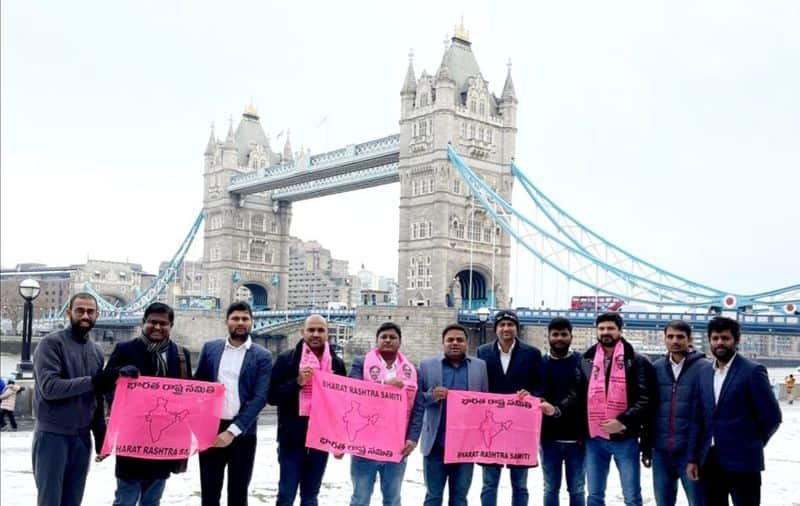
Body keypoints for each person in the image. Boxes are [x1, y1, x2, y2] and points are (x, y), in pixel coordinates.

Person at [32, 292, 136, 506]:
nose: (85, 316)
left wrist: (100, 434)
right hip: (53, 435)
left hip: (82, 437)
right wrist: (96, 380)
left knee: (73, 500)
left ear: (97, 315)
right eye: (80, 310)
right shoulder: (50, 344)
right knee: (50, 500)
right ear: (69, 313)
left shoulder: (97, 351)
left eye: (90, 311)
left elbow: (95, 395)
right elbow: (50, 388)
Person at [103, 302, 192, 505]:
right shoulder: (125, 349)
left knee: (153, 500)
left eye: (164, 323)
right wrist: (119, 374)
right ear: (144, 322)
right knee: (125, 499)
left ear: (171, 325)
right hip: (131, 439)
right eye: (153, 322)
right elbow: (104, 384)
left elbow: (187, 394)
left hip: (163, 440)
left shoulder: (181, 355)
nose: (158, 327)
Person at [686, 316, 782, 505]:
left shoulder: (753, 371)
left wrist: (752, 443)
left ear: (736, 341)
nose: (720, 343)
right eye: (715, 338)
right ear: (709, 341)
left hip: (744, 460)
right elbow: (698, 419)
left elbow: (772, 417)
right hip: (710, 460)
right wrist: (693, 458)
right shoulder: (704, 372)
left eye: (725, 338)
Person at [194, 301, 273, 506]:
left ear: (252, 322)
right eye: (235, 318)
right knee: (209, 492)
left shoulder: (263, 356)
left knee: (238, 494)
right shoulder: (210, 348)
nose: (240, 322)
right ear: (226, 321)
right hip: (211, 430)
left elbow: (260, 397)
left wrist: (232, 431)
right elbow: (198, 386)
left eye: (245, 319)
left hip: (243, 433)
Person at [268, 313, 347, 506]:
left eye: (321, 330)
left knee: (311, 496)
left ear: (328, 333)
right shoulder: (286, 360)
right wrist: (298, 382)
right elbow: (272, 397)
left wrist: (339, 441)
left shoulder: (336, 364)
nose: (316, 334)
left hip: (321, 440)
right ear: (302, 332)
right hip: (292, 439)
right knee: (286, 495)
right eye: (311, 330)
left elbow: (342, 407)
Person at [577, 312, 654, 506]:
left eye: (610, 328)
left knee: (632, 497)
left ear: (620, 330)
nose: (605, 332)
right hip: (594, 438)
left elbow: (646, 399)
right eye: (601, 329)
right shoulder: (586, 361)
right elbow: (578, 398)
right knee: (594, 496)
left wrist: (623, 421)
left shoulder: (637, 361)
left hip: (625, 438)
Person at [476, 310, 548, 506]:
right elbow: (478, 384)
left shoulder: (532, 353)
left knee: (520, 484)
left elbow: (541, 384)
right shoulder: (482, 352)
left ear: (516, 328)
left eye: (510, 325)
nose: (506, 328)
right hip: (492, 426)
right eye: (502, 325)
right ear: (495, 328)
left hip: (520, 427)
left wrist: (531, 393)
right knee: (489, 483)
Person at [348, 322, 424, 506]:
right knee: (360, 498)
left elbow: (418, 407)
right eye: (384, 337)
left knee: (392, 499)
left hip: (397, 444)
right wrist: (384, 386)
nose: (388, 340)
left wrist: (412, 438)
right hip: (365, 445)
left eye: (392, 337)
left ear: (400, 342)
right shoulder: (361, 363)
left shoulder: (413, 370)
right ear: (377, 341)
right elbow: (352, 392)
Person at [418, 323, 489, 506]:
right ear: (443, 343)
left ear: (467, 343)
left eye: (459, 340)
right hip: (436, 444)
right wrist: (431, 396)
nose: (454, 343)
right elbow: (417, 400)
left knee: (459, 498)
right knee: (433, 496)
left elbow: (486, 402)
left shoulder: (480, 367)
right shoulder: (426, 366)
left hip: (465, 446)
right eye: (450, 340)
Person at [647, 320, 708, 506]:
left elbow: (706, 414)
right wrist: (646, 448)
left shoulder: (704, 368)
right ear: (664, 339)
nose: (675, 341)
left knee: (698, 502)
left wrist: (696, 455)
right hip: (661, 452)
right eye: (670, 336)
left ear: (689, 339)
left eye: (680, 337)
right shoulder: (656, 368)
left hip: (690, 453)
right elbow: (649, 410)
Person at [539, 317, 586, 506]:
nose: (559, 338)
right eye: (555, 334)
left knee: (577, 489)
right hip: (548, 438)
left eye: (564, 334)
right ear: (548, 337)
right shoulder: (540, 363)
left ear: (571, 337)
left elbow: (582, 393)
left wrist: (557, 409)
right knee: (550, 488)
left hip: (577, 438)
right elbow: (537, 391)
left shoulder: (582, 362)